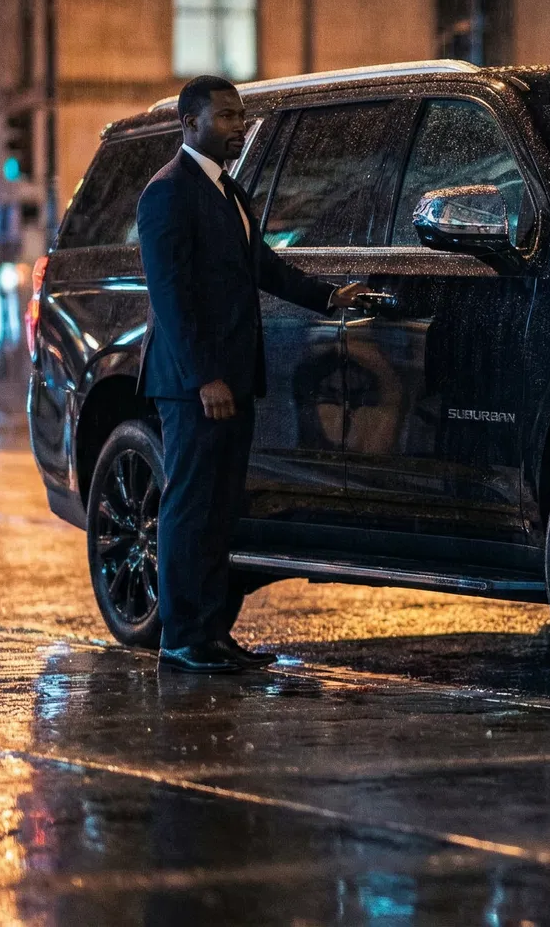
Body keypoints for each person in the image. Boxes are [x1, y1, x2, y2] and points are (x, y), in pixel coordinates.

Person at [136, 75, 365, 674]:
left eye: (240, 115)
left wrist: (330, 297)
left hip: (233, 377)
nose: (239, 125)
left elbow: (262, 267)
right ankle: (181, 637)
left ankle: (212, 633)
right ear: (190, 124)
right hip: (193, 385)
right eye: (227, 116)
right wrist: (205, 376)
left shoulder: (229, 192)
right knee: (189, 505)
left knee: (220, 507)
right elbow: (171, 297)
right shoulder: (167, 193)